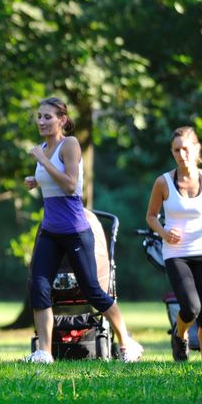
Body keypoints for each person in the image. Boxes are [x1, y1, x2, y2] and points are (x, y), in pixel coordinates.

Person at [23, 96, 143, 363]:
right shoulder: (44, 148)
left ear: (62, 120)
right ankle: (44, 352)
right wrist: (36, 181)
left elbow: (70, 185)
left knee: (93, 291)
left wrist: (42, 160)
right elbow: (53, 180)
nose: (41, 121)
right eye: (39, 116)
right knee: (39, 287)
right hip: (50, 231)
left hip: (75, 231)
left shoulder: (70, 144)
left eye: (47, 117)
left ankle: (127, 343)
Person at [146, 126, 202, 361]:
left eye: (185, 149)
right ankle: (179, 335)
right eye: (176, 150)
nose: (181, 155)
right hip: (176, 253)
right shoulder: (163, 182)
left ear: (196, 149)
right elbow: (151, 216)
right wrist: (164, 233)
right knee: (191, 308)